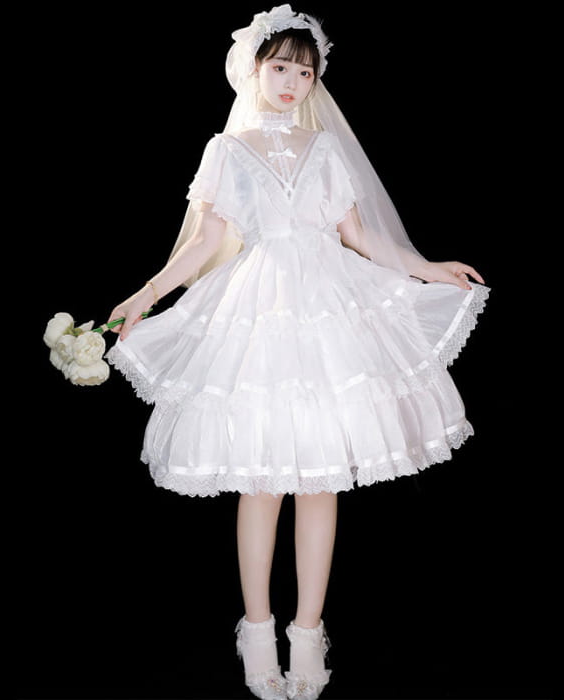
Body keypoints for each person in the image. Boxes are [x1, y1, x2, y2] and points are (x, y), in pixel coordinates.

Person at [105, 5, 489, 699]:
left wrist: (427, 267)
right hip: (259, 311)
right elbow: (203, 242)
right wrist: (142, 296)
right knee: (262, 480)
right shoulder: (227, 150)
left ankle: (308, 632)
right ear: (254, 69)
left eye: (305, 72)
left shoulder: (326, 149)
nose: (291, 82)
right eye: (280, 67)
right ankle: (257, 632)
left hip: (328, 310)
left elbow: (359, 236)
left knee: (320, 478)